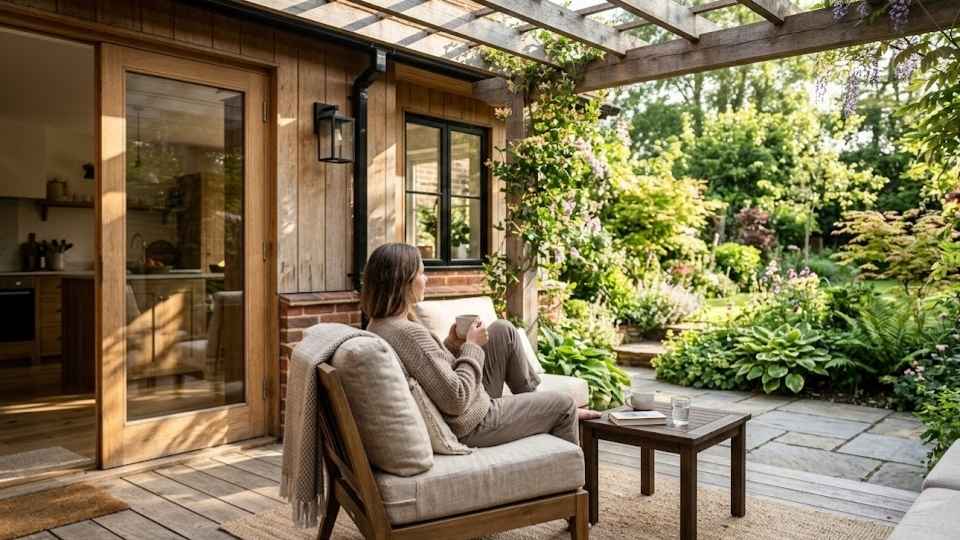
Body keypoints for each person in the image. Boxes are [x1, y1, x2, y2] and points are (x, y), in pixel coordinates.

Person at [361, 243, 599, 447]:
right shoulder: (409, 334)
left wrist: (453, 345)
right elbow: (456, 399)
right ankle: (568, 471)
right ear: (403, 281)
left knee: (502, 331)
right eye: (422, 273)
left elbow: (432, 372)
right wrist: (472, 347)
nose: (427, 279)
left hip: (470, 406)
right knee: (565, 404)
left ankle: (533, 405)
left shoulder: (380, 325)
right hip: (472, 422)